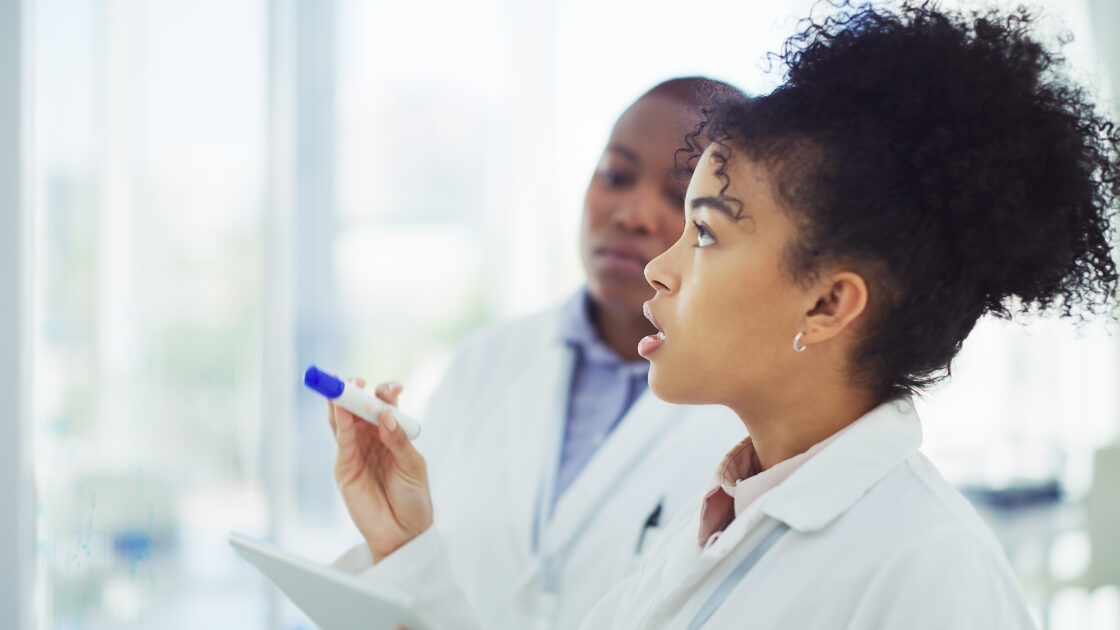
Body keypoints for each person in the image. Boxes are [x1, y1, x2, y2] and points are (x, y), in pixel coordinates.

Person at [328, 3, 1120, 628]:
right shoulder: (725, 518)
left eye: (703, 231)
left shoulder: (930, 573)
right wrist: (408, 552)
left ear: (828, 302)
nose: (659, 264)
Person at [328, 77, 747, 630]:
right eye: (616, 176)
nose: (634, 213)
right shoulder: (484, 362)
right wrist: (398, 549)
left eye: (681, 194)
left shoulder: (745, 413)